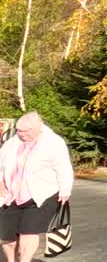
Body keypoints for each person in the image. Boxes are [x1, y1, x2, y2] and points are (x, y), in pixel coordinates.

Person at [0, 112, 73, 262]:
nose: (22, 134)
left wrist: (65, 190)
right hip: (10, 196)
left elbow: (64, 168)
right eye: (19, 130)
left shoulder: (53, 142)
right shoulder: (11, 143)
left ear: (39, 128)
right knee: (7, 238)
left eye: (26, 131)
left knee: (28, 233)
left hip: (41, 195)